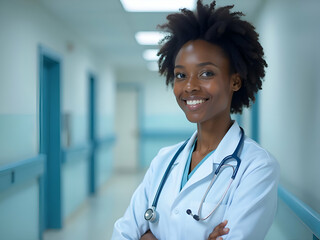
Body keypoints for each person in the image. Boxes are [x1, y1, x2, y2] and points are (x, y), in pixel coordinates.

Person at [112, 0, 279, 239]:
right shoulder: (164, 160)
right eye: (181, 75)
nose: (189, 86)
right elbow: (122, 233)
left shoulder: (257, 167)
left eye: (206, 73)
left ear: (235, 81)